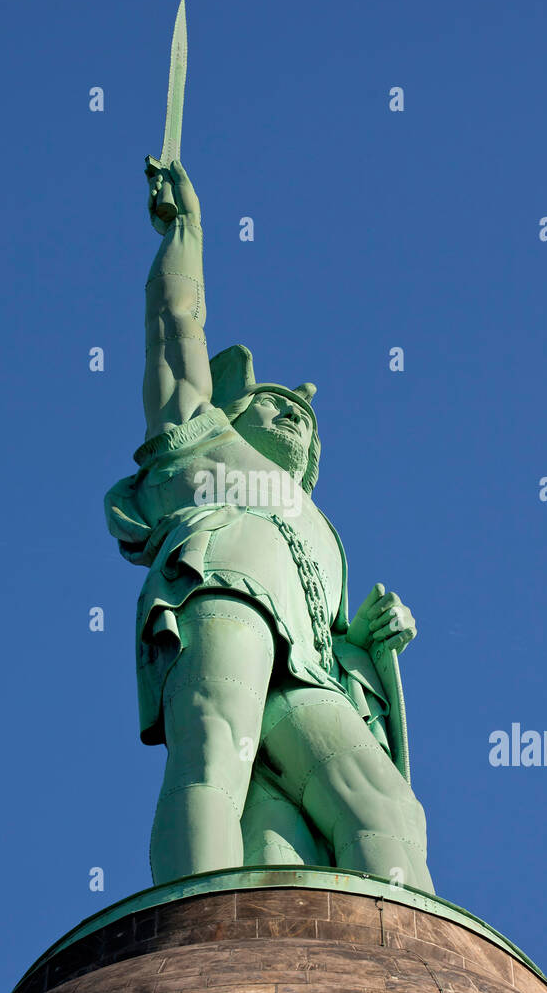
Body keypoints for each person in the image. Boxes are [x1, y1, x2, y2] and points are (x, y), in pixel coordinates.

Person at [105, 159, 434, 890]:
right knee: (216, 756)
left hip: (313, 670)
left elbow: (332, 631)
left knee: (388, 810)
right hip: (223, 593)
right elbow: (175, 324)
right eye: (277, 401)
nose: (295, 413)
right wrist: (185, 229)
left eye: (307, 419)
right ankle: (194, 939)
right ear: (232, 410)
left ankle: (390, 977)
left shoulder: (324, 530)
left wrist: (371, 639)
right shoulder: (202, 438)